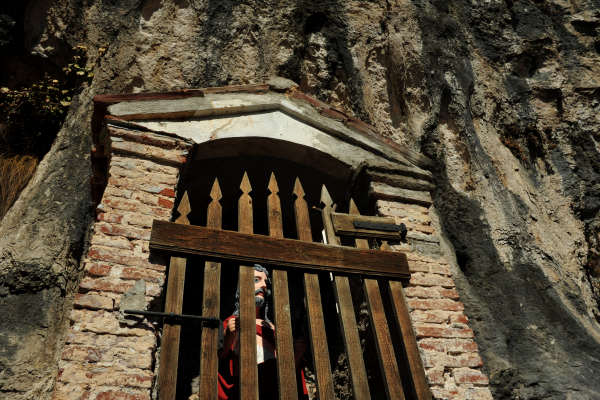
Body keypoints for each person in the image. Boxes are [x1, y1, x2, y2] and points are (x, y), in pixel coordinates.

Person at [218, 264, 308, 400]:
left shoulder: (273, 327)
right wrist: (229, 334)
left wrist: (297, 353)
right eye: (256, 280)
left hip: (275, 390)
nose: (264, 286)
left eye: (266, 282)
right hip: (248, 389)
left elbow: (286, 370)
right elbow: (222, 358)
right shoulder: (230, 322)